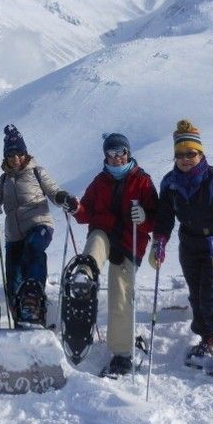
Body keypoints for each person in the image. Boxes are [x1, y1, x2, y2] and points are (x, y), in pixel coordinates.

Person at [149, 119, 213, 371]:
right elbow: (165, 217)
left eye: (190, 153)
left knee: (212, 296)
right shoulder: (170, 183)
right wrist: (159, 242)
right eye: (180, 155)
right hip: (189, 242)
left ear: (200, 153)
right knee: (196, 296)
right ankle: (208, 338)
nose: (185, 159)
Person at [71, 132, 158, 376]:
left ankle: (122, 354)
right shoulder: (100, 182)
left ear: (128, 154)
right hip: (107, 233)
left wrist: (143, 218)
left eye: (121, 153)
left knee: (120, 289)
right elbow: (86, 212)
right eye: (111, 154)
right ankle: (84, 276)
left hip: (130, 241)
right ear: (105, 157)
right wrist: (76, 207)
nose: (117, 158)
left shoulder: (142, 181)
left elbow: (156, 218)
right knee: (96, 239)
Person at [0, 124, 78, 321]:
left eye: (19, 153)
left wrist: (64, 198)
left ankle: (34, 299)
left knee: (33, 250)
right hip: (14, 235)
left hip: (39, 224)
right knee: (14, 279)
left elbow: (53, 191)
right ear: (6, 157)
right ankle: (21, 317)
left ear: (25, 154)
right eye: (11, 154)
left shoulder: (37, 172)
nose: (16, 158)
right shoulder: (4, 179)